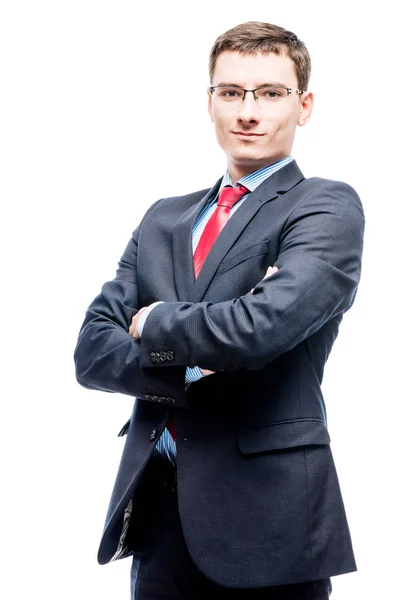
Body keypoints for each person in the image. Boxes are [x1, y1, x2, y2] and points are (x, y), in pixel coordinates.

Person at [74, 20, 364, 600]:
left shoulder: (325, 207)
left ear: (303, 106)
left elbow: (261, 329)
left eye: (270, 93)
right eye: (230, 93)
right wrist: (210, 352)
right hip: (158, 511)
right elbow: (91, 351)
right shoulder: (164, 218)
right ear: (209, 104)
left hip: (271, 516)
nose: (247, 111)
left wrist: (154, 321)